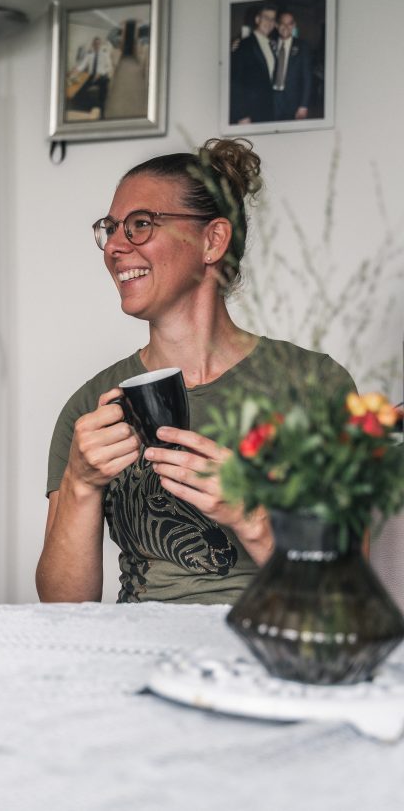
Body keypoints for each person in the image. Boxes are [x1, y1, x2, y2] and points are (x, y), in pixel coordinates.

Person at [37, 138, 353, 606]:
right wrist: (81, 484)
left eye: (140, 225)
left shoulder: (313, 386)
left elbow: (345, 594)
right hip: (133, 653)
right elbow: (61, 609)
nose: (115, 247)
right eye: (110, 229)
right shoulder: (92, 406)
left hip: (269, 648)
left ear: (212, 241)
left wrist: (251, 514)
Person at [230, 3, 278, 123]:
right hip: (250, 112)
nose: (270, 22)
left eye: (273, 19)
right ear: (257, 19)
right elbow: (235, 81)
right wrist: (241, 114)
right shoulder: (244, 44)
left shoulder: (272, 45)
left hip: (269, 109)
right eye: (266, 17)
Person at [271, 9, 313, 121]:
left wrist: (303, 105)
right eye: (282, 23)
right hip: (271, 99)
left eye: (289, 23)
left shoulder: (303, 47)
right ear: (276, 25)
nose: (286, 27)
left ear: (294, 25)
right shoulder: (269, 44)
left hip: (293, 101)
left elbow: (307, 78)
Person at [69, 35, 113, 117]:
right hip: (91, 76)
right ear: (93, 45)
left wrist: (100, 73)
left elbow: (109, 67)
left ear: (101, 45)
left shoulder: (105, 54)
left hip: (101, 76)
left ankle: (101, 111)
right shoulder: (89, 54)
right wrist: (76, 69)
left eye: (98, 44)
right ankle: (94, 107)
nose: (97, 46)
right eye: (95, 44)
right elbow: (83, 65)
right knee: (79, 91)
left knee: (103, 89)